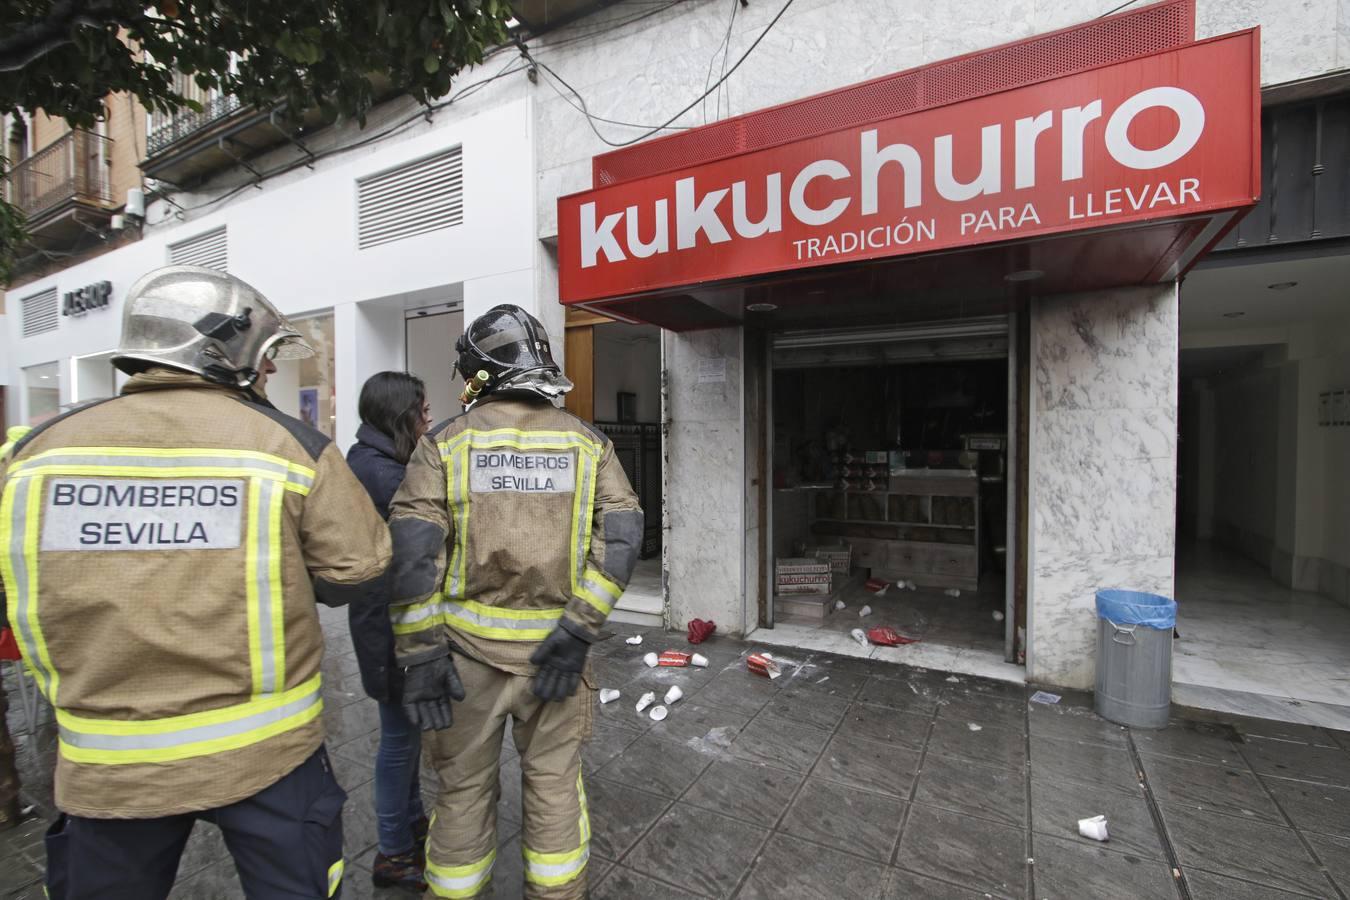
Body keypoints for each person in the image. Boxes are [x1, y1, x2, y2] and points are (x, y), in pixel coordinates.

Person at [0, 265, 392, 899]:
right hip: (266, 756)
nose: (268, 374)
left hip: (107, 767)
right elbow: (361, 564)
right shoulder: (288, 445)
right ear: (222, 349)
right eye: (263, 360)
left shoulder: (36, 451)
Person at [386, 304, 642, 899]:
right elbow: (624, 537)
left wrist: (421, 655)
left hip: (461, 665)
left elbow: (412, 556)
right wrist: (578, 629)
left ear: (481, 372)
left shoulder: (445, 445)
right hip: (555, 662)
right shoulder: (588, 443)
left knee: (461, 795)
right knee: (554, 786)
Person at [344, 372, 434, 891]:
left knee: (407, 733)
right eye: (421, 410)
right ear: (400, 415)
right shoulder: (384, 476)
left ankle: (411, 820)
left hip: (387, 625)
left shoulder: (380, 463)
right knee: (398, 741)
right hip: (388, 630)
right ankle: (392, 852)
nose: (428, 417)